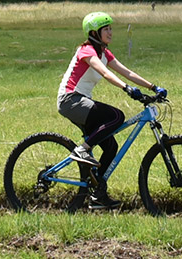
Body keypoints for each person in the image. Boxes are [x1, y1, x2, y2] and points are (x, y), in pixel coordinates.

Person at [56, 11, 166, 209]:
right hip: (70, 100)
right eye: (106, 29)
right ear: (94, 33)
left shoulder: (105, 53)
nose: (110, 32)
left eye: (111, 28)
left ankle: (98, 193)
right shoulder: (86, 50)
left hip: (81, 102)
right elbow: (105, 73)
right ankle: (82, 150)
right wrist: (126, 89)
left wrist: (153, 87)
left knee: (110, 147)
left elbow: (127, 71)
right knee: (116, 116)